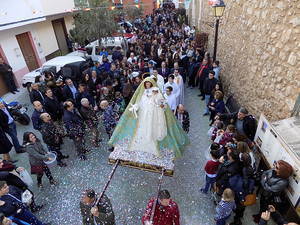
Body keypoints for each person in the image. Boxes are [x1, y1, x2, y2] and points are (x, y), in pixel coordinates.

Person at [109, 77, 189, 158]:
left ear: (151, 83)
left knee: (151, 125)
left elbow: (160, 101)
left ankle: (151, 141)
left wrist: (159, 102)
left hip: (152, 112)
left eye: (148, 83)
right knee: (143, 126)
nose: (147, 84)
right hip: (144, 112)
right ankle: (142, 141)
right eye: (146, 83)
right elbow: (141, 101)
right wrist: (136, 106)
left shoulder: (155, 90)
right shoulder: (143, 91)